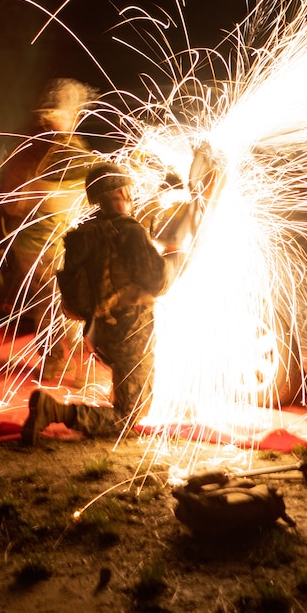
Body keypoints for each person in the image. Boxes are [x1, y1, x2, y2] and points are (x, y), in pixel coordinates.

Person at [21, 162, 183, 442]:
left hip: (99, 332)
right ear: (121, 191)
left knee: (128, 386)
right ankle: (55, 411)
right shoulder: (129, 231)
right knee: (129, 415)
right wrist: (176, 256)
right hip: (131, 331)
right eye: (129, 190)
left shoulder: (83, 233)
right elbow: (157, 282)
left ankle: (113, 395)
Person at [0, 78, 97, 326]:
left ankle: (51, 351)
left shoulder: (26, 144)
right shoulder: (67, 150)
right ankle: (56, 359)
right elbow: (99, 182)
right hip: (52, 247)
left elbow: (10, 201)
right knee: (62, 310)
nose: (76, 120)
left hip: (26, 244)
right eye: (74, 114)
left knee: (45, 303)